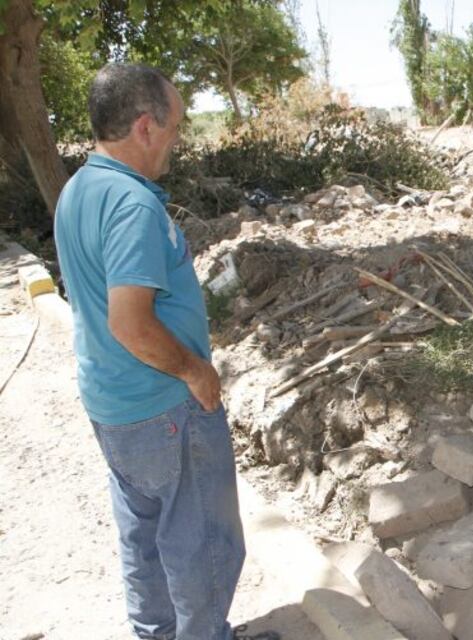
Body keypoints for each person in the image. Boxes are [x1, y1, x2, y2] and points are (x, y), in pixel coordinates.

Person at [54, 63, 270, 640]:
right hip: (163, 406)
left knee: (144, 534)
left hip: (113, 404)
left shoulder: (79, 190)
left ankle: (157, 634)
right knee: (202, 544)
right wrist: (195, 371)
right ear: (146, 127)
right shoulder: (131, 205)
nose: (179, 138)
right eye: (175, 125)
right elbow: (130, 322)